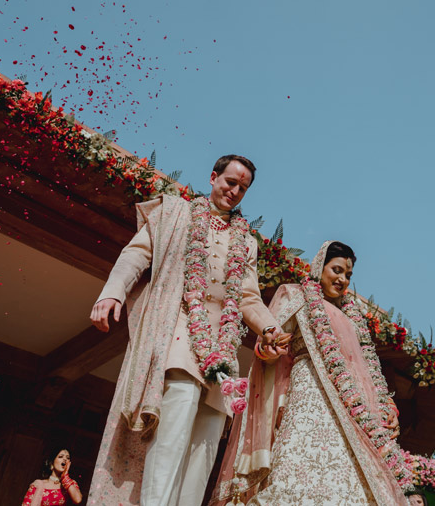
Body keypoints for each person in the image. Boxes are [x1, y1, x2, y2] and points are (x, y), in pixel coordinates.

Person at [87, 155, 290, 506]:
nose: (235, 191)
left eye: (243, 188)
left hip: (222, 351)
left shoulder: (247, 242)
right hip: (179, 334)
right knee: (172, 432)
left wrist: (269, 329)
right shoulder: (174, 214)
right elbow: (135, 256)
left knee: (206, 445)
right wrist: (111, 294)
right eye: (230, 182)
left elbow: (248, 298)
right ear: (213, 177)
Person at [211, 241, 412, 505]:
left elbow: (366, 372)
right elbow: (265, 345)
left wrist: (386, 409)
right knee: (295, 475)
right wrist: (270, 347)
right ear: (320, 267)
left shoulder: (353, 317)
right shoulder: (295, 296)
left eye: (348, 275)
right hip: (309, 395)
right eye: (337, 270)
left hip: (352, 409)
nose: (342, 279)